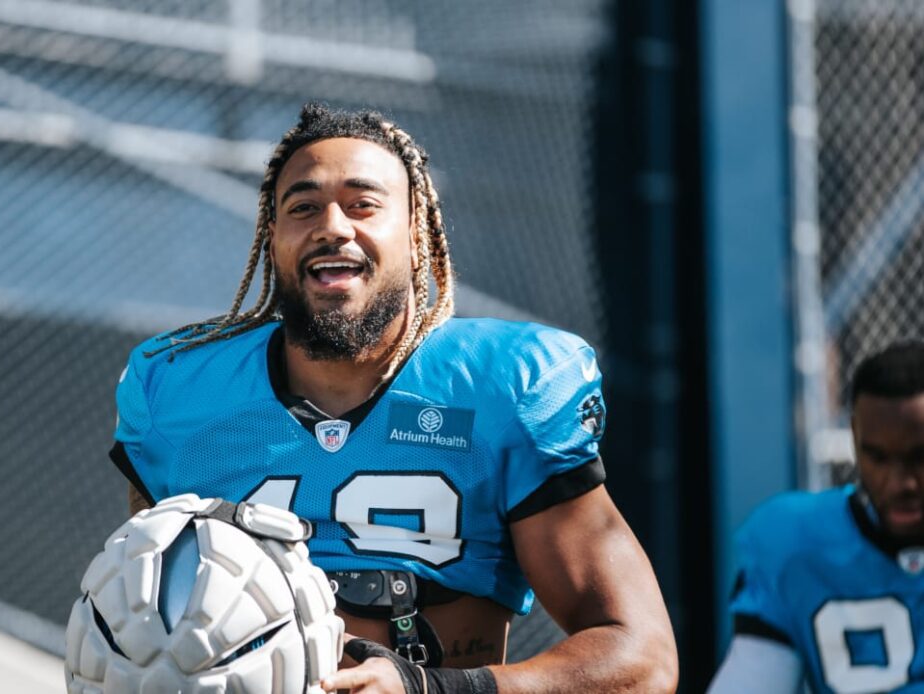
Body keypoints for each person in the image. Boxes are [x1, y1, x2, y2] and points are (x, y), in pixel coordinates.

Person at [108, 102, 677, 693]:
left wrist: (431, 689)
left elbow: (641, 659)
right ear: (272, 238)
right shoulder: (177, 391)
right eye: (303, 207)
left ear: (415, 231)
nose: (332, 226)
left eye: (363, 204)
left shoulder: (504, 387)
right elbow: (139, 613)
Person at [709, 341, 924, 694]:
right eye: (878, 457)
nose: (900, 483)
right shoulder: (795, 544)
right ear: (855, 438)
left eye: (919, 456)